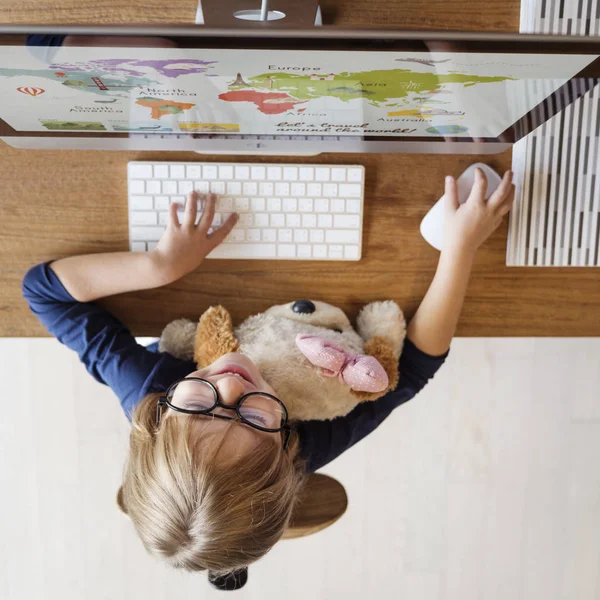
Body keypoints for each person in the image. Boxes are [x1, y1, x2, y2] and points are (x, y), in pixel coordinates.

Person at [22, 169, 515, 576]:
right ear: (285, 449)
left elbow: (44, 294)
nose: (234, 382)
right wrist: (461, 248)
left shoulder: (148, 391)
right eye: (255, 418)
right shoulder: (302, 451)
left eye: (197, 404)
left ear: (158, 420)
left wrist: (158, 266)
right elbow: (412, 371)